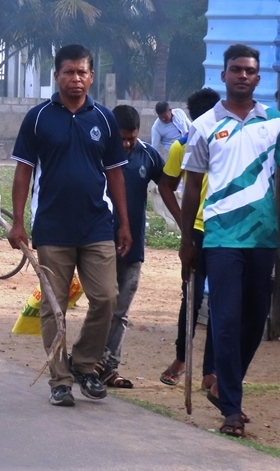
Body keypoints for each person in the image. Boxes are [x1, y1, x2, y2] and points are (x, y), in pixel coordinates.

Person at [179, 44, 280, 437]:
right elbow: (192, 186)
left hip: (264, 235)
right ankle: (231, 409)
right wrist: (188, 239)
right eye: (235, 69)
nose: (242, 76)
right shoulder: (204, 126)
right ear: (223, 75)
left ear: (258, 78)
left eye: (249, 71)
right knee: (225, 319)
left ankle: (224, 385)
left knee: (255, 320)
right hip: (220, 236)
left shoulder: (274, 122)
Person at [8, 43, 131, 407]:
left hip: (97, 226)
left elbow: (115, 176)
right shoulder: (38, 117)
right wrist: (17, 222)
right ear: (57, 75)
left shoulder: (105, 119)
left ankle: (84, 364)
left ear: (91, 77)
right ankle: (60, 380)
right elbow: (23, 172)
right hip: (52, 226)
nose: (75, 79)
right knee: (54, 306)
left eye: (82, 72)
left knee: (107, 298)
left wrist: (124, 223)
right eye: (68, 72)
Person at [157, 87, 221, 391]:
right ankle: (182, 359)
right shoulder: (181, 146)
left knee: (222, 300)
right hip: (195, 232)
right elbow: (166, 185)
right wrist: (183, 222)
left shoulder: (230, 143)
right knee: (192, 297)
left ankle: (211, 370)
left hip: (224, 231)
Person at [97, 104, 164, 389]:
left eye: (131, 139)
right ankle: (91, 361)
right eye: (122, 138)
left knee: (121, 311)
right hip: (98, 244)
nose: (126, 144)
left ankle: (109, 367)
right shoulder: (97, 152)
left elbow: (168, 186)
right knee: (102, 306)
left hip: (133, 248)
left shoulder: (148, 155)